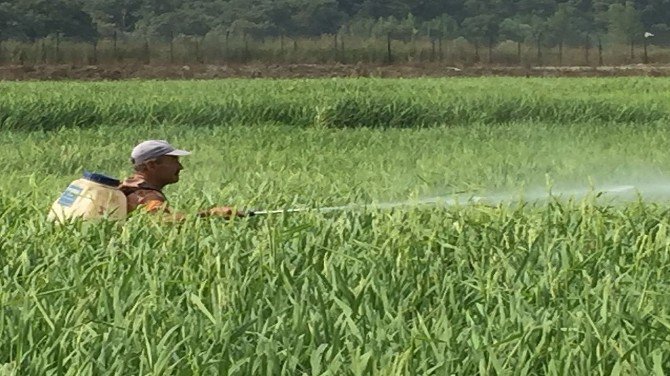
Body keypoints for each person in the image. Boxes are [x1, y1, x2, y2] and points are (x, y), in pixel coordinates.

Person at [118, 139, 247, 220]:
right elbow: (162, 220)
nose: (180, 166)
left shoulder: (128, 186)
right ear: (152, 165)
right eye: (174, 160)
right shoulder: (147, 196)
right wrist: (211, 214)